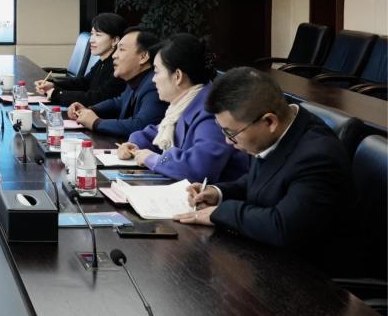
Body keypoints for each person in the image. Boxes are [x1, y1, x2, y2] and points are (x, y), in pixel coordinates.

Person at [175, 68, 353, 269]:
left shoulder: (317, 157)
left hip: (308, 272)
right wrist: (218, 193)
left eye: (231, 133)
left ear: (269, 121)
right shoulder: (281, 130)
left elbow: (282, 226)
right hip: (269, 257)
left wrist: (220, 213)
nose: (227, 141)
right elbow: (259, 182)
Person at [115, 34, 248, 183]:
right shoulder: (185, 103)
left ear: (177, 76)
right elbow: (160, 132)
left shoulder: (213, 112)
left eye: (157, 72)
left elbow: (200, 168)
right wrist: (135, 144)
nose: (153, 79)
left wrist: (154, 159)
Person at [68, 26, 166, 138]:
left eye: (122, 49)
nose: (114, 55)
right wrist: (88, 110)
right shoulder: (136, 78)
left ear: (143, 56)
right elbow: (118, 102)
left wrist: (96, 123)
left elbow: (141, 126)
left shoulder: (155, 84)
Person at [34, 12, 127, 106]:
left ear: (115, 40)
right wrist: (54, 85)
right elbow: (84, 83)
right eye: (92, 34)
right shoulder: (102, 62)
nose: (91, 40)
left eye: (98, 35)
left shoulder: (118, 67)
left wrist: (57, 94)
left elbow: (98, 98)